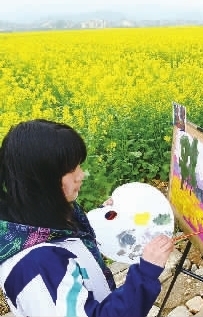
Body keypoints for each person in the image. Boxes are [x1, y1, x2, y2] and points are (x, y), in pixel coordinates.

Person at [0, 119, 174, 317]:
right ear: (41, 180)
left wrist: (106, 217)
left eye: (78, 165)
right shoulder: (36, 267)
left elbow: (71, 244)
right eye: (70, 170)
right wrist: (145, 274)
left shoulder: (40, 216)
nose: (81, 175)